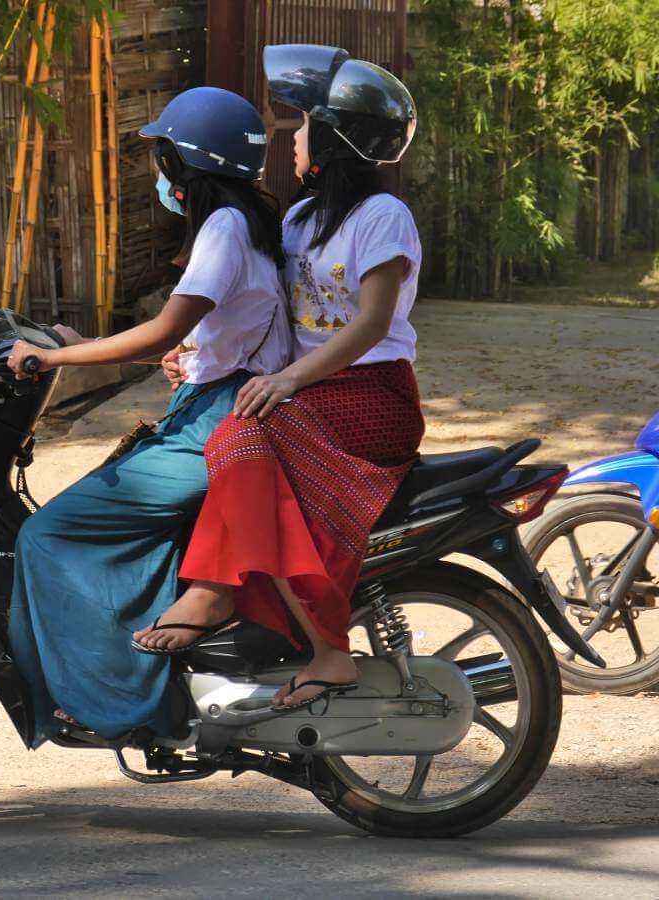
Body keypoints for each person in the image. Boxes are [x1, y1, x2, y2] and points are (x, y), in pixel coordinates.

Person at [133, 44, 425, 711]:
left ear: (333, 138)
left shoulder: (385, 217)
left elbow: (373, 323)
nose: (288, 140)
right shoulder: (297, 219)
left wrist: (290, 381)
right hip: (313, 391)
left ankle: (312, 642)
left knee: (238, 438)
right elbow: (269, 310)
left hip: (371, 396)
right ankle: (224, 597)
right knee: (237, 448)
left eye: (301, 127)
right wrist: (197, 352)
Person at [5, 87, 290, 745]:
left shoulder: (223, 227)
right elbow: (211, 336)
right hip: (217, 404)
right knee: (136, 535)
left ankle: (106, 700)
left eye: (162, 158)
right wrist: (80, 346)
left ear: (186, 164)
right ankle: (150, 687)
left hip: (219, 421)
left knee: (46, 535)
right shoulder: (246, 223)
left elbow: (165, 330)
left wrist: (55, 363)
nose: (156, 174)